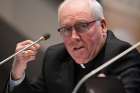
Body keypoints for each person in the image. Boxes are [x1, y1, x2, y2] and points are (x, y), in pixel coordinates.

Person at [7, 0, 140, 93]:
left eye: (82, 26)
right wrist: (17, 72)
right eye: (66, 29)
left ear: (103, 26)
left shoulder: (123, 56)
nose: (74, 37)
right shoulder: (55, 56)